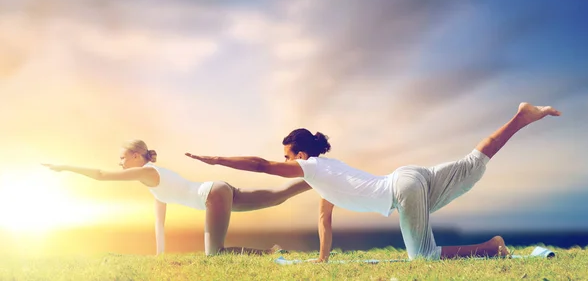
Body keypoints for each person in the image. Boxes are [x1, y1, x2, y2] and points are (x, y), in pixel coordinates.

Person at [185, 102, 562, 262]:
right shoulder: (329, 170)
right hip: (409, 177)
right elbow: (324, 219)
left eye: (286, 156)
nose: (283, 162)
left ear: (299, 154)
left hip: (403, 189)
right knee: (473, 163)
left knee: (424, 258)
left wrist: (215, 159)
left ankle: (492, 248)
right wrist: (321, 259)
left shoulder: (311, 168)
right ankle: (520, 117)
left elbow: (259, 166)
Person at [42, 139, 311, 256]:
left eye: (123, 158)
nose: (120, 162)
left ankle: (271, 252)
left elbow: (101, 174)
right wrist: (160, 254)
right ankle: (318, 180)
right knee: (277, 197)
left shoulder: (147, 172)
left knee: (214, 255)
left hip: (212, 195)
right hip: (217, 191)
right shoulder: (153, 180)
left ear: (137, 156)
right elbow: (160, 223)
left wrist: (66, 167)